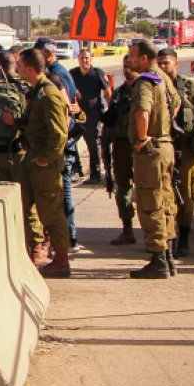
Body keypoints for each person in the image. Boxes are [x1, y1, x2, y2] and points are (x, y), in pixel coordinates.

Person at [0, 50, 47, 261]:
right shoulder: (27, 88)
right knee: (26, 201)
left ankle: (3, 247)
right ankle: (35, 248)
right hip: (20, 152)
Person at [13, 48, 71, 277]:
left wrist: (45, 159)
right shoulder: (35, 92)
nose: (16, 68)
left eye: (19, 64)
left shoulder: (49, 94)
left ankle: (61, 261)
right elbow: (35, 124)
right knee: (26, 205)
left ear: (29, 68)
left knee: (51, 212)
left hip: (45, 163)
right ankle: (32, 250)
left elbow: (60, 134)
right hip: (33, 158)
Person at [156, 48, 194, 258]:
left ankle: (183, 239)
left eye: (167, 63)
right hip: (163, 150)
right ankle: (166, 239)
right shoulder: (154, 88)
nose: (163, 67)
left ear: (176, 63)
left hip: (187, 150)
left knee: (187, 195)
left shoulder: (191, 88)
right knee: (164, 197)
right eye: (160, 63)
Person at [127, 40, 181, 279]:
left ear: (144, 59)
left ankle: (158, 259)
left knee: (151, 203)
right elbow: (177, 105)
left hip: (152, 150)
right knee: (166, 202)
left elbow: (142, 111)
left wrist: (142, 138)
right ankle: (168, 257)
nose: (129, 61)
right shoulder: (165, 79)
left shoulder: (145, 81)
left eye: (133, 57)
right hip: (166, 146)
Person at [35, 38, 82, 251]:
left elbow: (66, 110)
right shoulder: (63, 72)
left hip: (60, 142)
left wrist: (60, 141)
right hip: (65, 139)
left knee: (60, 193)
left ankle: (66, 239)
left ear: (47, 53)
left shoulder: (55, 75)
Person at [104, 55, 138, 245]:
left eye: (130, 65)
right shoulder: (118, 93)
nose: (127, 69)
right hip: (122, 145)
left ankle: (153, 233)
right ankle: (127, 230)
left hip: (142, 145)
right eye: (124, 66)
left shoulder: (146, 90)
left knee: (147, 190)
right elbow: (110, 121)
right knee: (122, 189)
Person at [70, 49, 111, 183]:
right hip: (77, 113)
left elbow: (107, 92)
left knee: (93, 144)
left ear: (91, 59)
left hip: (93, 114)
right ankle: (76, 170)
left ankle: (95, 173)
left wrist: (110, 109)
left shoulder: (97, 74)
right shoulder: (73, 74)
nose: (84, 61)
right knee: (71, 141)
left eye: (87, 58)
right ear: (78, 59)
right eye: (82, 58)